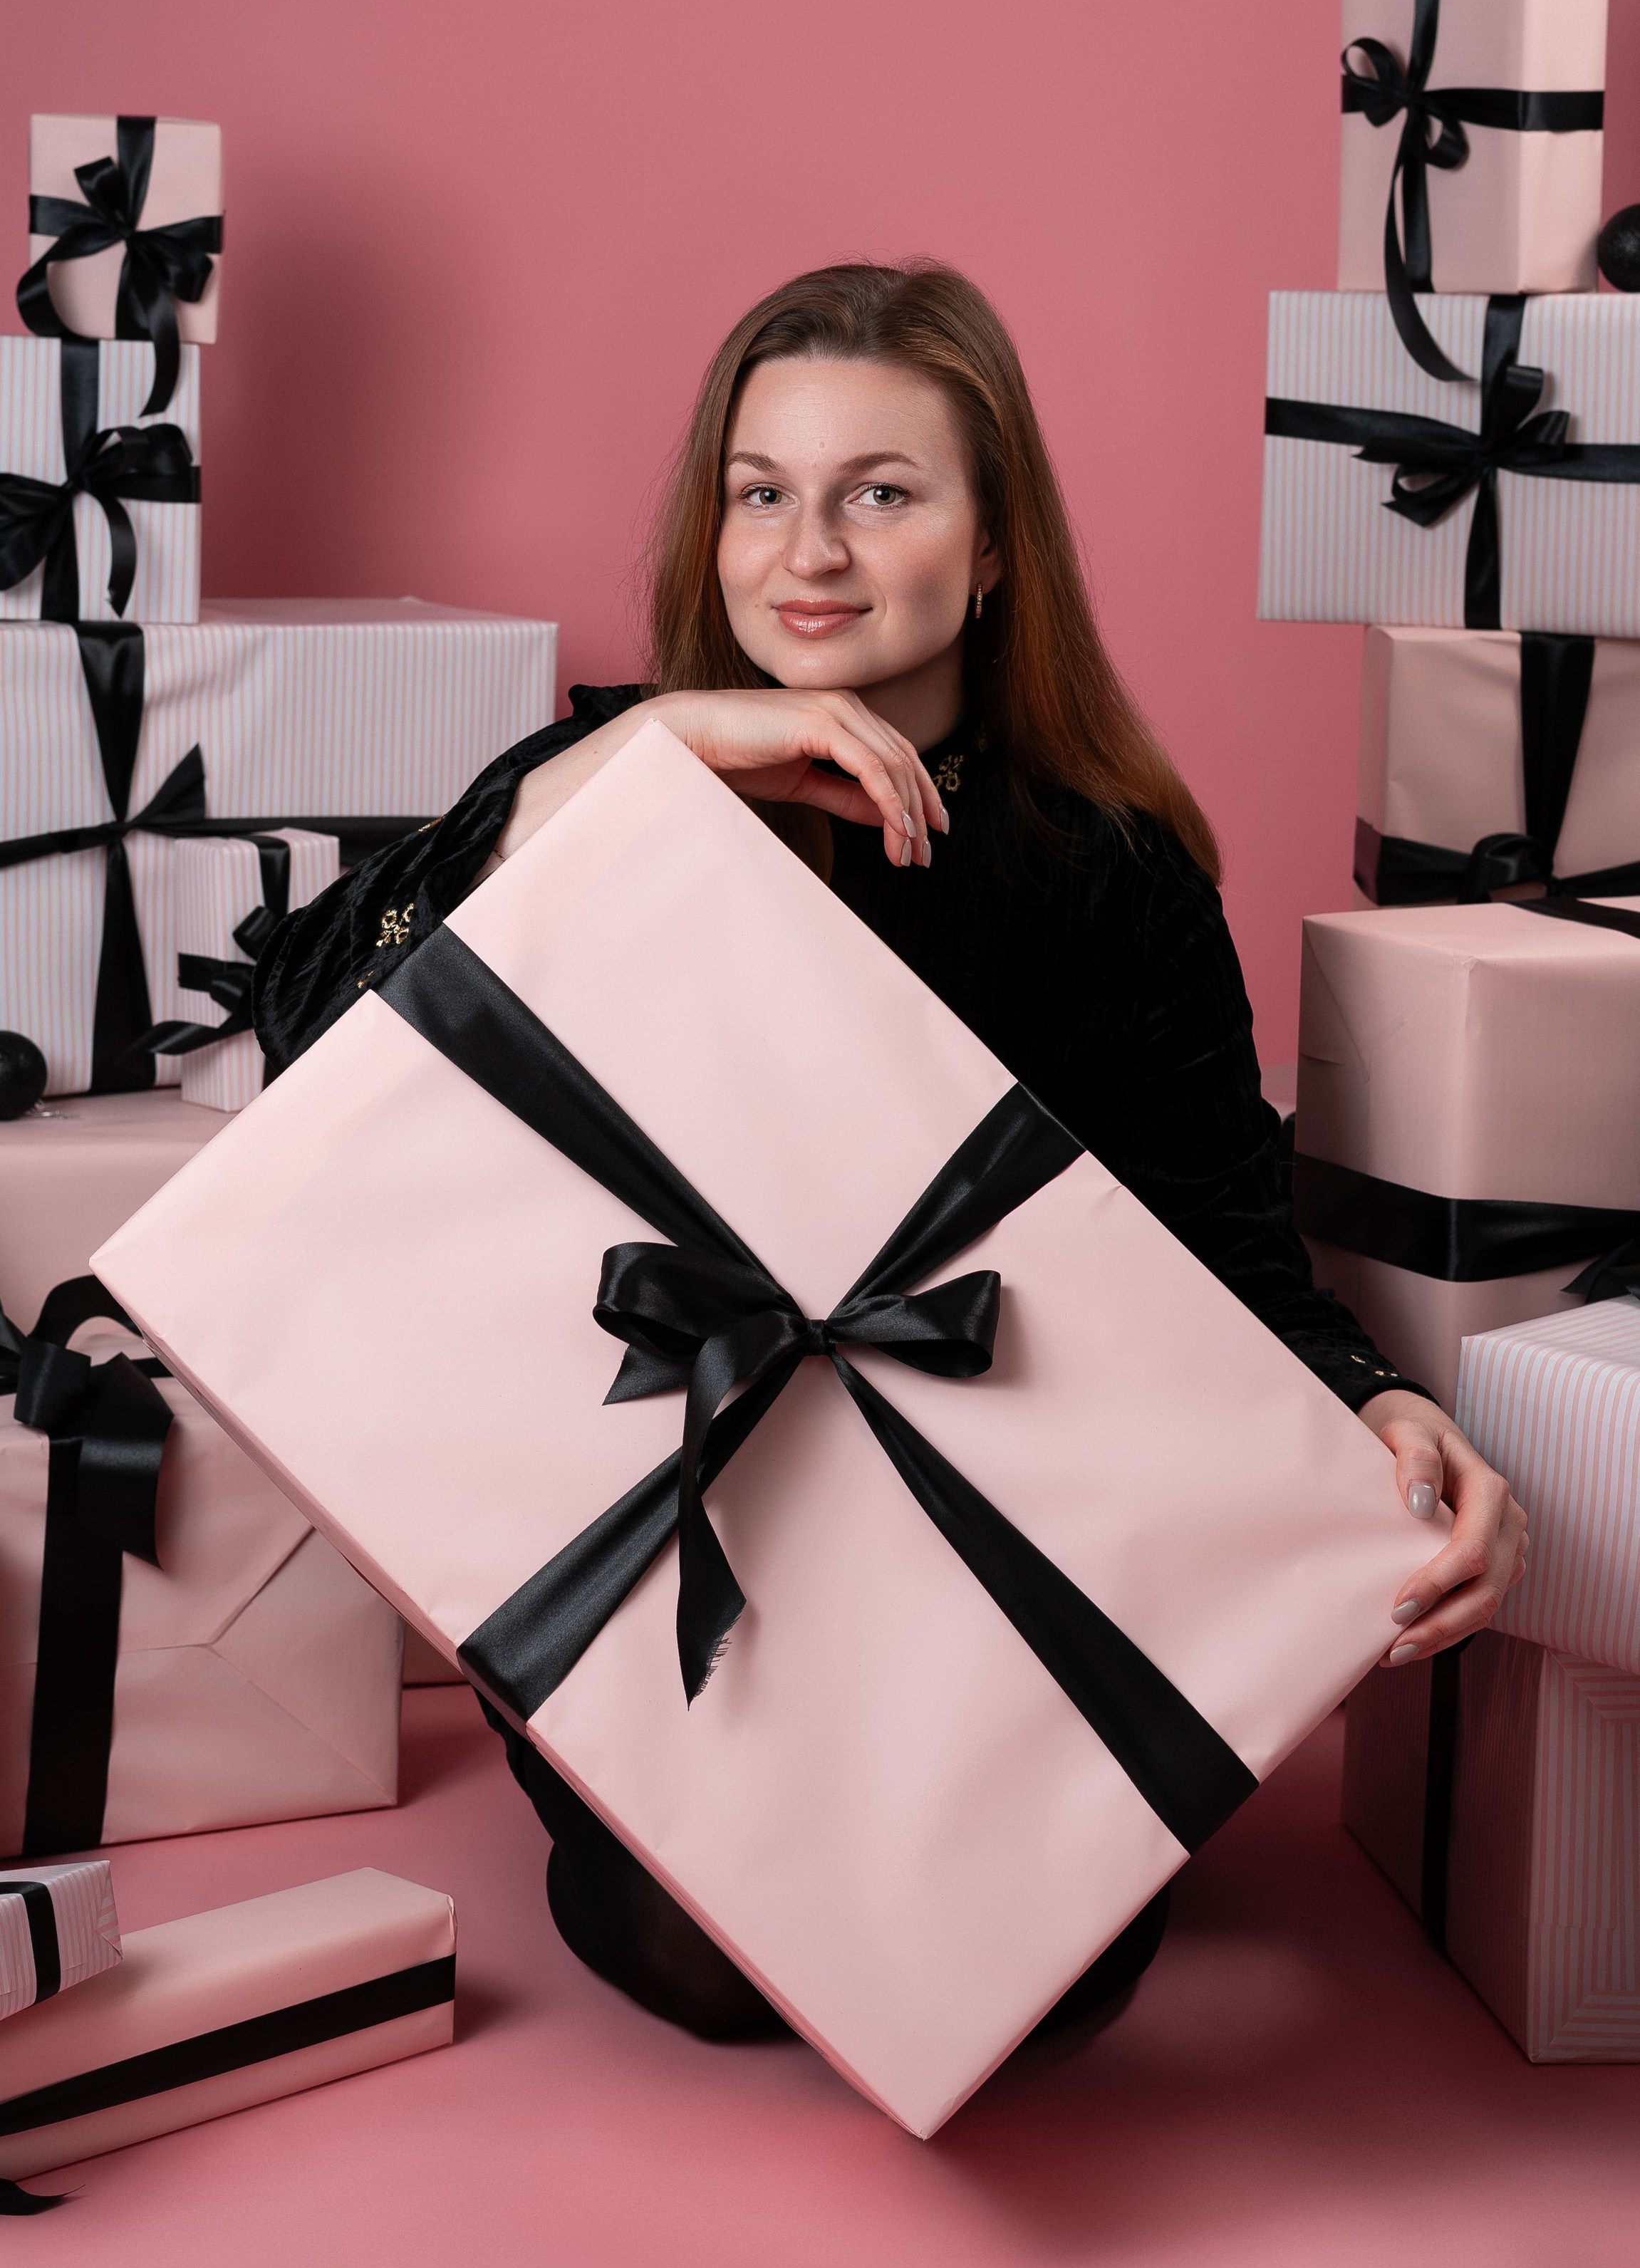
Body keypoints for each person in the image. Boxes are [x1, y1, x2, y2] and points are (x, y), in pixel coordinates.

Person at [254, 261, 1528, 2048]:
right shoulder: (601, 788)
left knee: (1041, 1983)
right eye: (759, 492)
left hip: (984, 1561)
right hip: (656, 1524)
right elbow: (302, 1048)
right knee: (706, 1957)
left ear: (993, 544)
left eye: (880, 492)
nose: (810, 553)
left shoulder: (1111, 873)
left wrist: (1379, 1410)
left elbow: (1225, 1254)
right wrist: (631, 762)